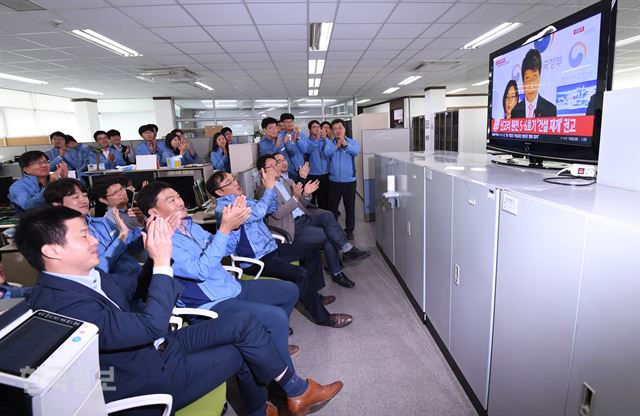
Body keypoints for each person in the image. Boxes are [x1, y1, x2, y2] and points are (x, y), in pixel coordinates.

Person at [17, 206, 343, 416]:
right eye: (84, 235)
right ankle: (269, 407)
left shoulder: (87, 275)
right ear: (51, 250)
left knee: (244, 321)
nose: (94, 242)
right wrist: (160, 262)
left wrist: (158, 256)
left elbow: (134, 290)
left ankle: (295, 393)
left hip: (158, 347)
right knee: (245, 349)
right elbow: (149, 327)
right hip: (143, 373)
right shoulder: (59, 303)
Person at [135, 181, 302, 371]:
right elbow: (201, 270)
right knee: (276, 318)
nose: (180, 202)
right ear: (153, 212)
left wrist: (234, 228)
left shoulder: (188, 225)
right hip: (212, 302)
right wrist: (223, 229)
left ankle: (271, 344)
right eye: (171, 200)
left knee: (289, 291)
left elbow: (225, 249)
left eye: (178, 197)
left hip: (230, 286)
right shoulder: (161, 243)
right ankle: (283, 380)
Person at [208, 168, 353, 328]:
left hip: (271, 249)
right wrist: (269, 189)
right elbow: (259, 212)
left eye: (234, 178)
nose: (236, 182)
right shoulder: (226, 209)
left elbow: (269, 209)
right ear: (219, 192)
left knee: (311, 249)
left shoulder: (240, 199)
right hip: (256, 260)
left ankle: (313, 295)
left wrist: (272, 192)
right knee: (300, 274)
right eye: (230, 182)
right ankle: (324, 318)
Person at [257, 153, 370, 288]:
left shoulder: (285, 181)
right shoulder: (264, 189)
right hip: (292, 226)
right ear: (262, 171)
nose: (276, 168)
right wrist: (295, 197)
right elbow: (277, 214)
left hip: (304, 217)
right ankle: (337, 271)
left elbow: (302, 204)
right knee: (326, 235)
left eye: (276, 164)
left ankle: (347, 250)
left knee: (328, 215)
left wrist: (306, 194)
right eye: (272, 166)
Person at [44, 178, 142, 277]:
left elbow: (133, 250)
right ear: (57, 204)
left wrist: (140, 225)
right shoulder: (61, 237)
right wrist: (121, 238)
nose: (83, 200)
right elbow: (96, 272)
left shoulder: (102, 223)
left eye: (85, 195)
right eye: (76, 197)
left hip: (132, 276)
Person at [324, 119, 360, 240]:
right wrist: (336, 146)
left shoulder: (352, 142)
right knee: (332, 208)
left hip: (349, 181)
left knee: (350, 207)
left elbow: (356, 151)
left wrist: (346, 145)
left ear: (344, 129)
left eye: (340, 128)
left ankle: (349, 230)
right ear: (332, 131)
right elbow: (326, 153)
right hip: (333, 181)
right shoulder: (330, 143)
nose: (337, 131)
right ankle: (332, 229)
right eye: (334, 129)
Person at [511, 49, 557, 118]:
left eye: (534, 77)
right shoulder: (515, 111)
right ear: (523, 82)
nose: (531, 85)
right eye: (528, 78)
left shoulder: (550, 109)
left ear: (539, 77)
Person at [297, 120, 330, 209]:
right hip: (312, 174)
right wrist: (317, 140)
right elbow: (308, 150)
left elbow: (330, 152)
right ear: (310, 130)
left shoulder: (325, 140)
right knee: (311, 199)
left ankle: (324, 218)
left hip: (325, 174)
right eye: (314, 127)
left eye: (318, 127)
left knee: (323, 199)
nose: (316, 129)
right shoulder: (306, 141)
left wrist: (325, 139)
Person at [278, 113, 305, 178]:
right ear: (282, 124)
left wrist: (298, 138)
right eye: (287, 122)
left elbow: (304, 149)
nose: (289, 124)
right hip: (287, 170)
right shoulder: (279, 137)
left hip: (301, 168)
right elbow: (281, 152)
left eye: (291, 121)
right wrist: (292, 141)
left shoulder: (300, 134)